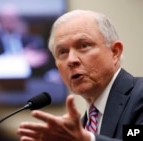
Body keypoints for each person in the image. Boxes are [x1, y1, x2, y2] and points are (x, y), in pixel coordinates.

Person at [16, 9, 143, 141]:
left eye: (84, 45)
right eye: (62, 52)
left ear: (115, 52)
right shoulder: (82, 127)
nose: (71, 60)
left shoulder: (139, 96)